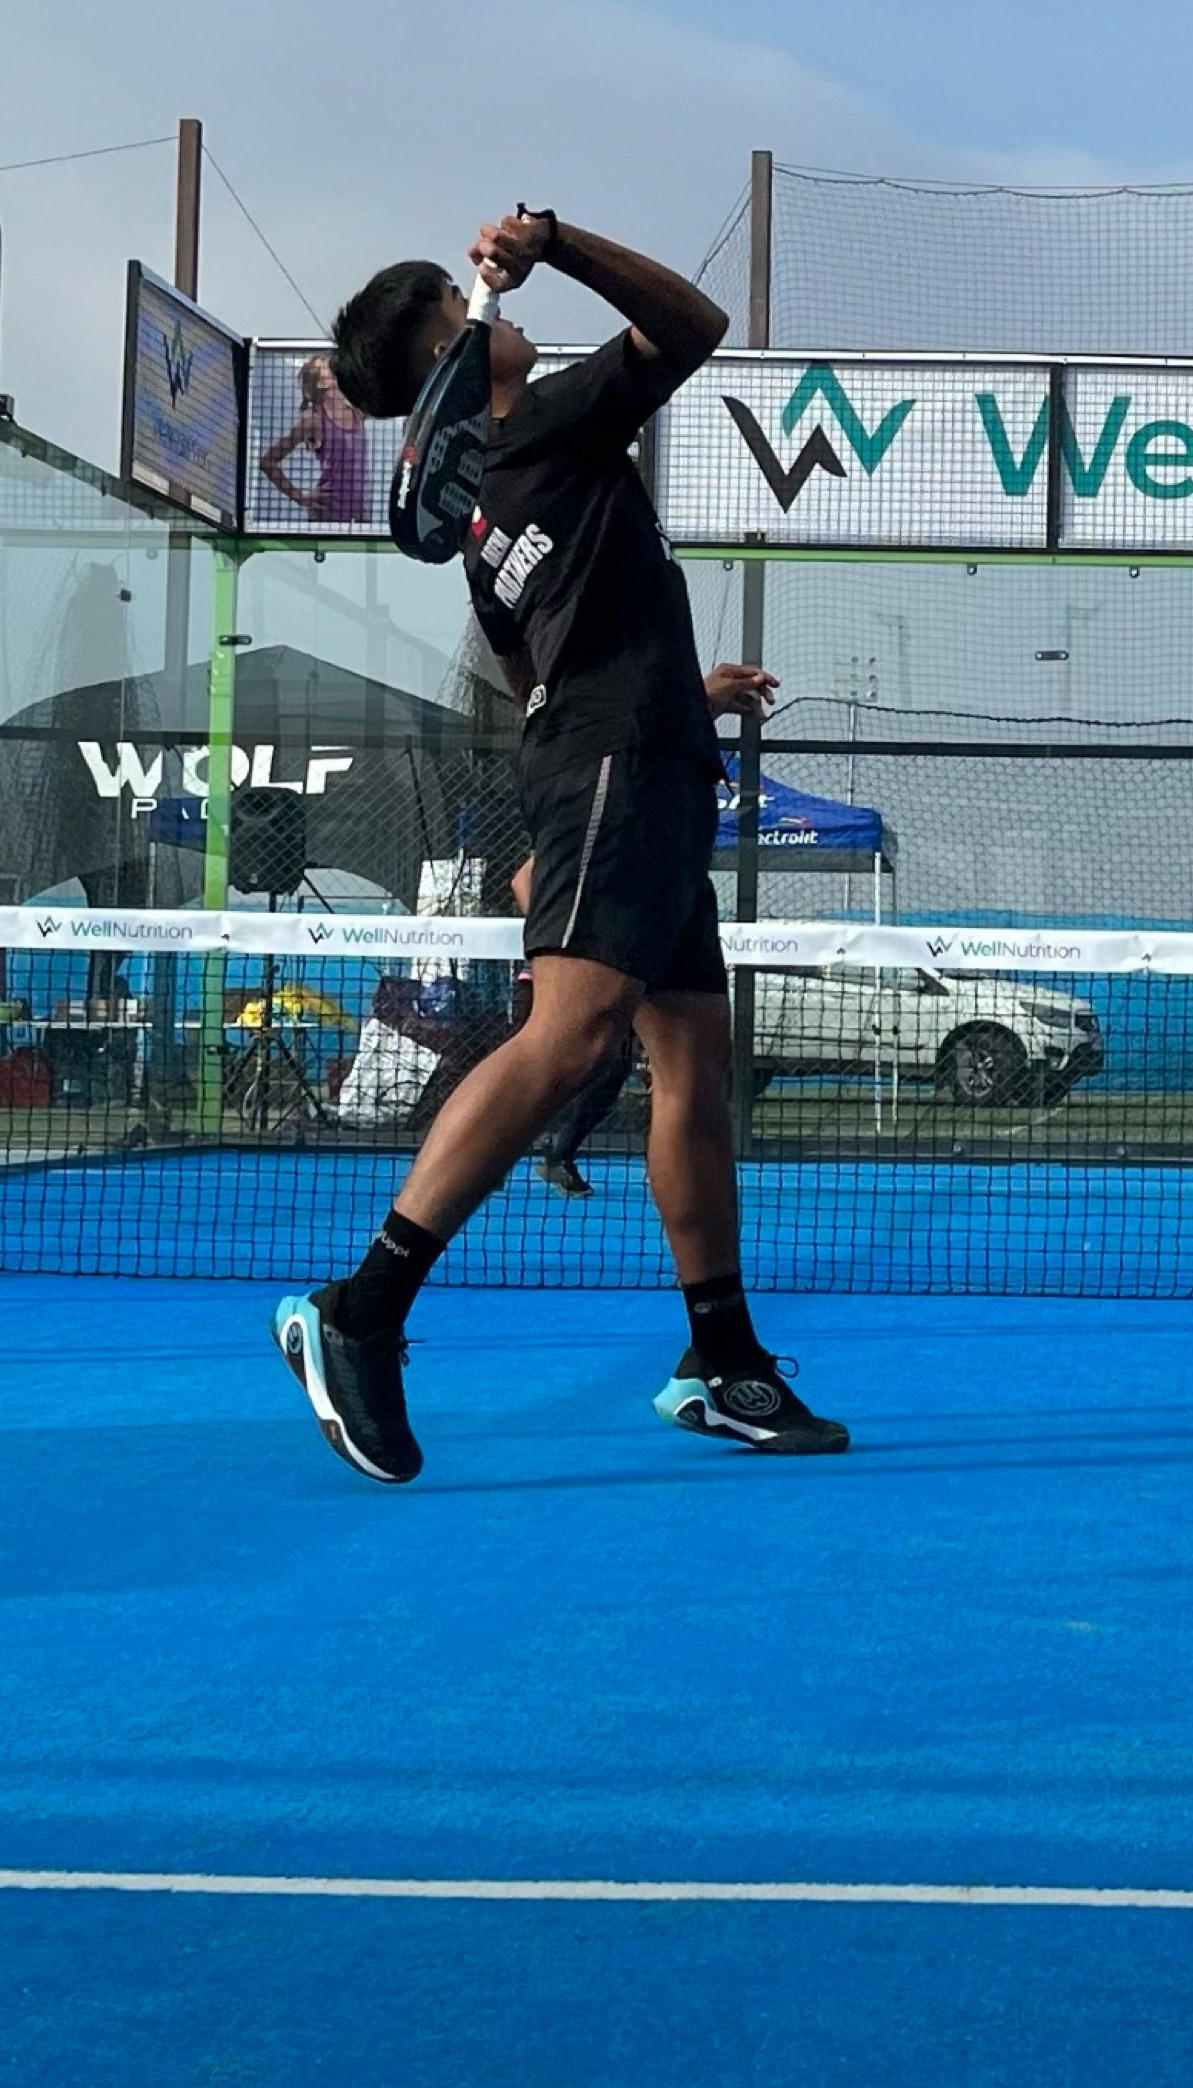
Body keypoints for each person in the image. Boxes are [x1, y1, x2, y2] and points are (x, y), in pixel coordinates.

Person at [270, 205, 848, 1481]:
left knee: (691, 1058)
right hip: (617, 770)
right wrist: (560, 241)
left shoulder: (488, 516)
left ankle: (722, 1360)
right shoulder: (540, 422)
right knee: (572, 1037)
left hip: (641, 759)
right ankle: (360, 1308)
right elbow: (694, 325)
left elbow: (545, 669)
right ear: (451, 351)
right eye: (468, 302)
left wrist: (683, 697)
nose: (504, 310)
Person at [517, 660, 776, 1196]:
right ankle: (423, 1222)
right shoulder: (596, 782)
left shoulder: (663, 800)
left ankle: (590, 1160)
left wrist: (702, 705)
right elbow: (526, 880)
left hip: (651, 942)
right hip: (600, 956)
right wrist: (572, 948)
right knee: (565, 1064)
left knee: (681, 1072)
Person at [257, 352, 370, 526]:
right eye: (326, 367)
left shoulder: (357, 412)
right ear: (321, 382)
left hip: (361, 517)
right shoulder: (314, 419)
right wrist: (300, 497)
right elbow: (268, 461)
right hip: (328, 516)